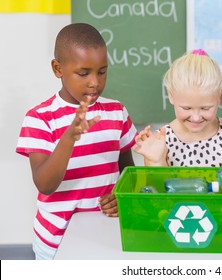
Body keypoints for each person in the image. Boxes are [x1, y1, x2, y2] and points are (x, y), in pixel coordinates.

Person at [15, 23, 138, 260]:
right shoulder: (40, 118)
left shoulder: (116, 112)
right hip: (56, 242)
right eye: (84, 73)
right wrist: (68, 139)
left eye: (102, 71)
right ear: (58, 68)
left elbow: (127, 171)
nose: (95, 82)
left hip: (107, 235)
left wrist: (121, 196)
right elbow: (44, 184)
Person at [132, 49, 222, 167]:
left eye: (205, 108)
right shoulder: (160, 141)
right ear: (171, 95)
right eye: (186, 108)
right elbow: (155, 185)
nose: (196, 117)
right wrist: (156, 161)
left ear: (220, 96)